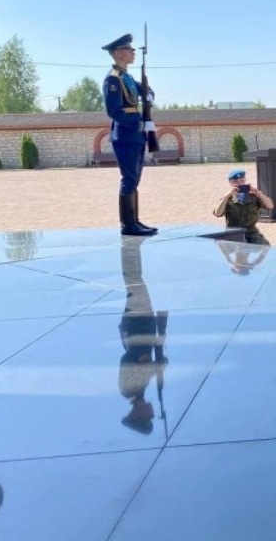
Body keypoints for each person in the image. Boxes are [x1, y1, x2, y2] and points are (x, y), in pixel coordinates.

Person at [102, 33, 157, 237]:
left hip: (135, 134)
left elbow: (146, 90)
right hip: (125, 134)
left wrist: (149, 94)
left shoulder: (127, 77)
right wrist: (139, 124)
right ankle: (127, 224)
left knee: (135, 178)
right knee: (129, 178)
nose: (133, 52)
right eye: (129, 49)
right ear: (117, 53)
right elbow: (114, 111)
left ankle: (134, 220)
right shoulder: (113, 79)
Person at [117, 237, 168, 436]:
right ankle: (132, 247)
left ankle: (129, 246)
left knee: (134, 281)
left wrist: (151, 365)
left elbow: (127, 360)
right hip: (143, 328)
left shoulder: (129, 391)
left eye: (148, 416)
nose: (152, 412)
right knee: (136, 281)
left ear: (137, 415)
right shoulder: (140, 390)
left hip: (136, 327)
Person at [213, 168, 274, 245]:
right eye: (236, 181)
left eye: (242, 181)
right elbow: (218, 214)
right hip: (233, 231)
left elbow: (270, 206)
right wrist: (227, 196)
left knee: (266, 247)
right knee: (240, 249)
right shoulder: (227, 199)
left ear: (245, 181)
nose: (239, 184)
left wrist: (258, 193)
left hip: (251, 231)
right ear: (230, 183)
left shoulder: (253, 197)